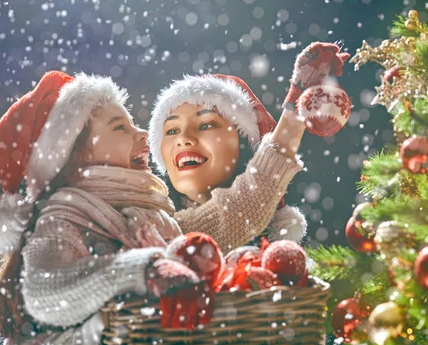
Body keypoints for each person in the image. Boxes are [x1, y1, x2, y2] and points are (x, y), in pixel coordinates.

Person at [0, 71, 194, 345]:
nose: (142, 133)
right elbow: (46, 293)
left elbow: (220, 223)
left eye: (133, 124)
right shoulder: (63, 217)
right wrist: (141, 270)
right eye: (120, 128)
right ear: (73, 157)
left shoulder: (152, 215)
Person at [147, 42, 349, 253]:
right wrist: (297, 103)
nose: (183, 139)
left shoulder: (286, 265)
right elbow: (242, 208)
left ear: (245, 142)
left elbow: (243, 207)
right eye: (171, 131)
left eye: (206, 125)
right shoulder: (152, 229)